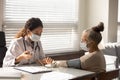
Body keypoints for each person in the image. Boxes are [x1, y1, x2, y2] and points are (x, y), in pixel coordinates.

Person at [41, 22, 106, 73]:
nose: (81, 42)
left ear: (91, 43)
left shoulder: (92, 57)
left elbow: (68, 63)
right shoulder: (99, 53)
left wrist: (53, 63)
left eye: (83, 40)